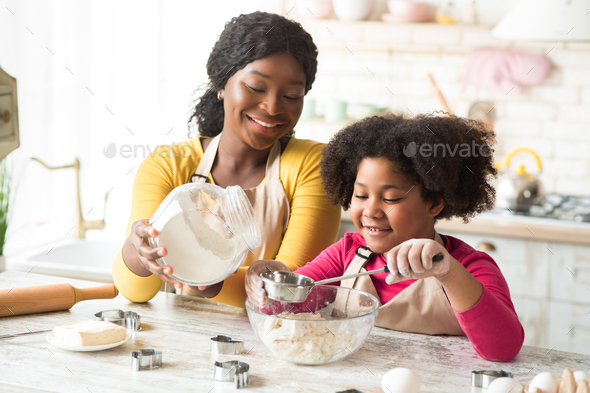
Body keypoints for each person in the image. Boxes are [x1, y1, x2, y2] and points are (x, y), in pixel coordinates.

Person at [246, 113, 525, 362]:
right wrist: (269, 286)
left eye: (390, 198)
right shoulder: (346, 254)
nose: (370, 211)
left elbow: (503, 349)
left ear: (434, 203)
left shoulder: (469, 267)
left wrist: (450, 274)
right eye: (361, 195)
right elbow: (287, 307)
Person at [112, 11, 341, 308]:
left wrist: (205, 278)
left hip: (272, 343)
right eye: (256, 88)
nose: (272, 107)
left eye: (292, 95)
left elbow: (290, 290)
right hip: (181, 343)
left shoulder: (312, 165)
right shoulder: (168, 164)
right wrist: (138, 250)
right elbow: (135, 292)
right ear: (222, 84)